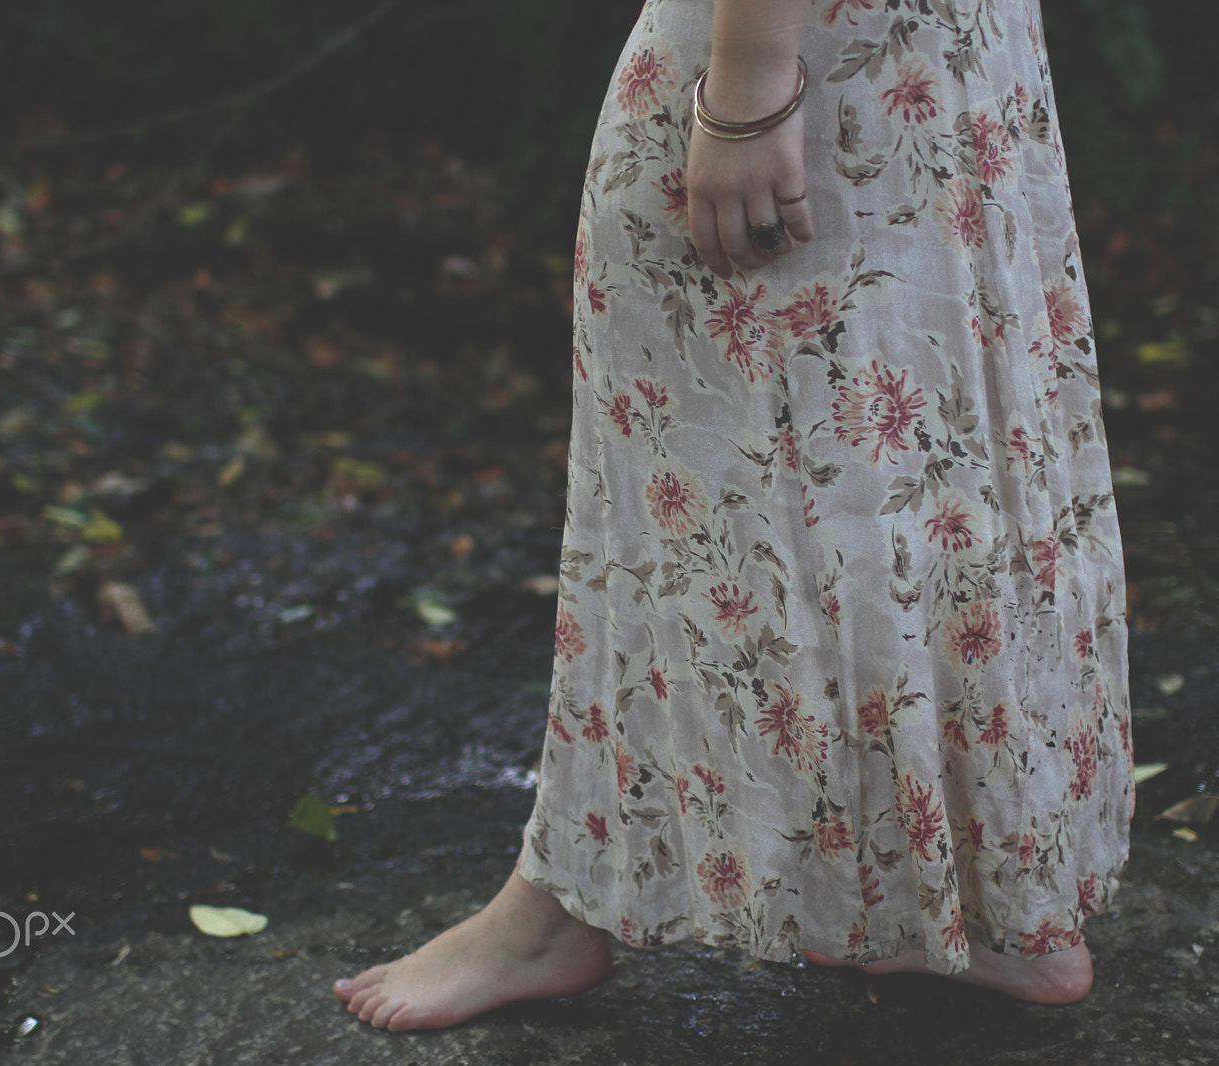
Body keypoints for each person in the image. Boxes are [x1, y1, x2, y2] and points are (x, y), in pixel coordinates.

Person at [334, 0, 1133, 1032]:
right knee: (929, 465)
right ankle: (997, 911)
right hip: (943, 55)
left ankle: (559, 910)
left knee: (703, 465)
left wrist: (750, 82)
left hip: (806, 60)